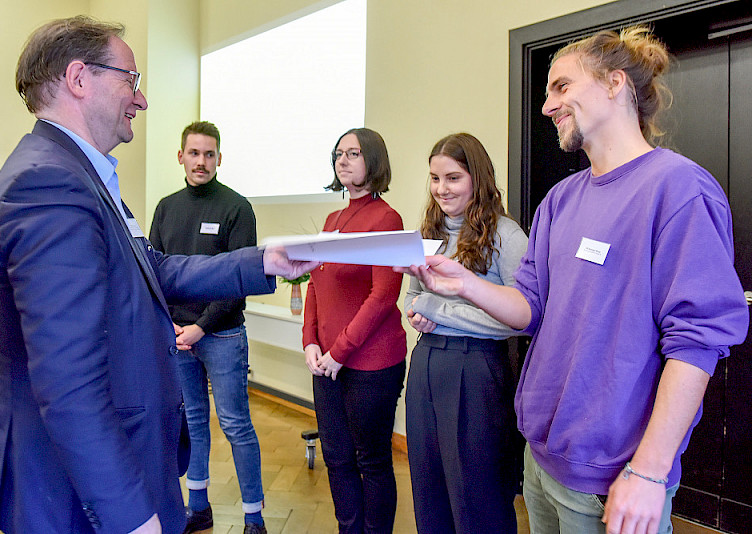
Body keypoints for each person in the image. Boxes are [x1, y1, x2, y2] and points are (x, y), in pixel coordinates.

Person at [401, 27, 749, 534]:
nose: (547, 106)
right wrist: (464, 284)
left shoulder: (678, 189)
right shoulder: (561, 198)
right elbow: (529, 306)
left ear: (614, 84)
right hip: (541, 459)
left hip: (612, 475)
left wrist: (649, 472)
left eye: (561, 87)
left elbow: (697, 343)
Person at [0, 16, 315, 534]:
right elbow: (67, 385)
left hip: (112, 466)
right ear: (79, 79)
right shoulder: (49, 184)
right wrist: (131, 517)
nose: (142, 99)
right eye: (131, 80)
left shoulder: (78, 173)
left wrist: (263, 260)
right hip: (75, 493)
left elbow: (150, 268)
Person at [404, 133, 527, 533]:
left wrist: (436, 309)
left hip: (475, 371)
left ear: (478, 178)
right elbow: (415, 297)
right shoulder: (429, 230)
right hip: (426, 364)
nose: (441, 189)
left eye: (453, 178)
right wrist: (418, 314)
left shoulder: (507, 236)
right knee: (428, 488)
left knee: (477, 496)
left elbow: (521, 318)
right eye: (435, 179)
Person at [149, 120, 266, 534]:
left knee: (235, 423)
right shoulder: (166, 206)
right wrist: (172, 328)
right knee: (193, 420)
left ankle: (254, 516)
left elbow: (238, 283)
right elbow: (155, 274)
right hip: (177, 337)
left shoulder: (237, 208)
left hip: (222, 335)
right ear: (181, 156)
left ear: (219, 158)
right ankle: (197, 506)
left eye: (209, 154)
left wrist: (199, 327)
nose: (202, 161)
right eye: (194, 153)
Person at [302, 128, 407, 533]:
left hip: (370, 363)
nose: (343, 160)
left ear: (374, 161)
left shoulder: (387, 218)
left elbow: (383, 297)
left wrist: (339, 351)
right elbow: (315, 283)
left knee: (372, 460)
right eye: (339, 154)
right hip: (325, 361)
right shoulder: (332, 219)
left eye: (354, 153)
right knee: (337, 458)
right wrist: (310, 341)